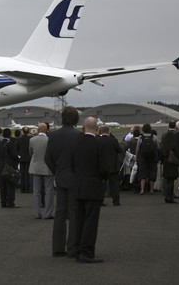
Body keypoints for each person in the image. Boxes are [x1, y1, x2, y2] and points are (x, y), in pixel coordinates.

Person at [45, 106, 80, 258]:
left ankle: (58, 248)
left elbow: (48, 158)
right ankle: (73, 247)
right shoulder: (79, 136)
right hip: (75, 178)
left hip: (60, 176)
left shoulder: (53, 136)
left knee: (60, 212)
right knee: (74, 213)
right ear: (76, 119)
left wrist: (57, 171)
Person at [71, 117, 106, 263]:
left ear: (83, 127)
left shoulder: (75, 143)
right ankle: (86, 252)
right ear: (96, 128)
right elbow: (104, 168)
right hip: (93, 185)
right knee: (91, 221)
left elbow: (72, 164)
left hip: (78, 185)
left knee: (79, 219)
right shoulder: (99, 144)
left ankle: (77, 249)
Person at [29, 123, 55, 219]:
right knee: (49, 191)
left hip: (35, 167)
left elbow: (30, 152)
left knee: (36, 192)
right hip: (47, 168)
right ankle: (48, 213)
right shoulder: (50, 140)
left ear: (38, 130)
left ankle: (37, 213)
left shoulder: (32, 140)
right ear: (47, 130)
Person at [98, 126, 123, 206]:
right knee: (114, 184)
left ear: (101, 132)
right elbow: (120, 150)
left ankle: (100, 201)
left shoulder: (98, 140)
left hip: (101, 166)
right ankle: (116, 201)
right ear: (108, 131)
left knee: (101, 184)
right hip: (112, 166)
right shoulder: (113, 140)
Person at [135, 123, 160, 195]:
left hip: (142, 157)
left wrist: (137, 158)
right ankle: (151, 189)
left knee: (142, 173)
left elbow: (137, 149)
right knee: (152, 172)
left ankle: (142, 189)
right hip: (152, 157)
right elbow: (158, 147)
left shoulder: (140, 137)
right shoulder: (154, 137)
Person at [0, 128, 18, 208]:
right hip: (9, 167)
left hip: (1, 166)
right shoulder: (11, 144)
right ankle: (10, 202)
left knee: (3, 186)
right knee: (10, 185)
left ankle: (3, 202)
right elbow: (14, 155)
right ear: (10, 134)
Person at [160, 121, 179, 204]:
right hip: (172, 160)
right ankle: (170, 197)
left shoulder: (164, 135)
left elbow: (162, 147)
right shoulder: (176, 135)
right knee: (172, 179)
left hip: (166, 159)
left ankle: (167, 195)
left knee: (167, 179)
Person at [17, 126, 32, 193]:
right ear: (28, 131)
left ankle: (22, 188)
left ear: (22, 131)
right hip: (28, 158)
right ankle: (27, 187)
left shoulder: (19, 139)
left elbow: (16, 148)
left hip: (21, 157)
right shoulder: (30, 139)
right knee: (27, 173)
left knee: (22, 173)